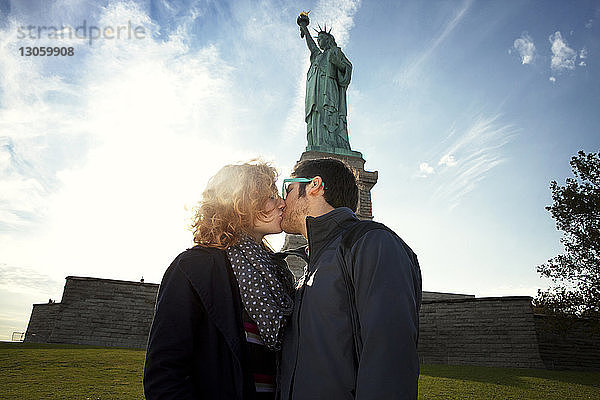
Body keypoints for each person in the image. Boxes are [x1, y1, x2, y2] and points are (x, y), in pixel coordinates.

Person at [143, 161, 295, 400]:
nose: (282, 203)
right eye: (271, 197)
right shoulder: (194, 267)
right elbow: (165, 373)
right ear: (240, 203)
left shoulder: (278, 272)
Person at [277, 158, 422, 400]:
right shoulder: (313, 261)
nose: (282, 202)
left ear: (314, 186)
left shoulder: (372, 243)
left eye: (288, 189)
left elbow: (389, 358)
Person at [298, 18, 353, 151]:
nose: (318, 42)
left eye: (321, 39)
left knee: (329, 115)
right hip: (316, 93)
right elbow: (311, 46)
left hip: (329, 88)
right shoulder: (318, 55)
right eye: (318, 40)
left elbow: (347, 67)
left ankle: (334, 144)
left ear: (328, 39)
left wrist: (338, 63)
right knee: (317, 116)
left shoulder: (335, 52)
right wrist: (304, 29)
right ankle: (319, 143)